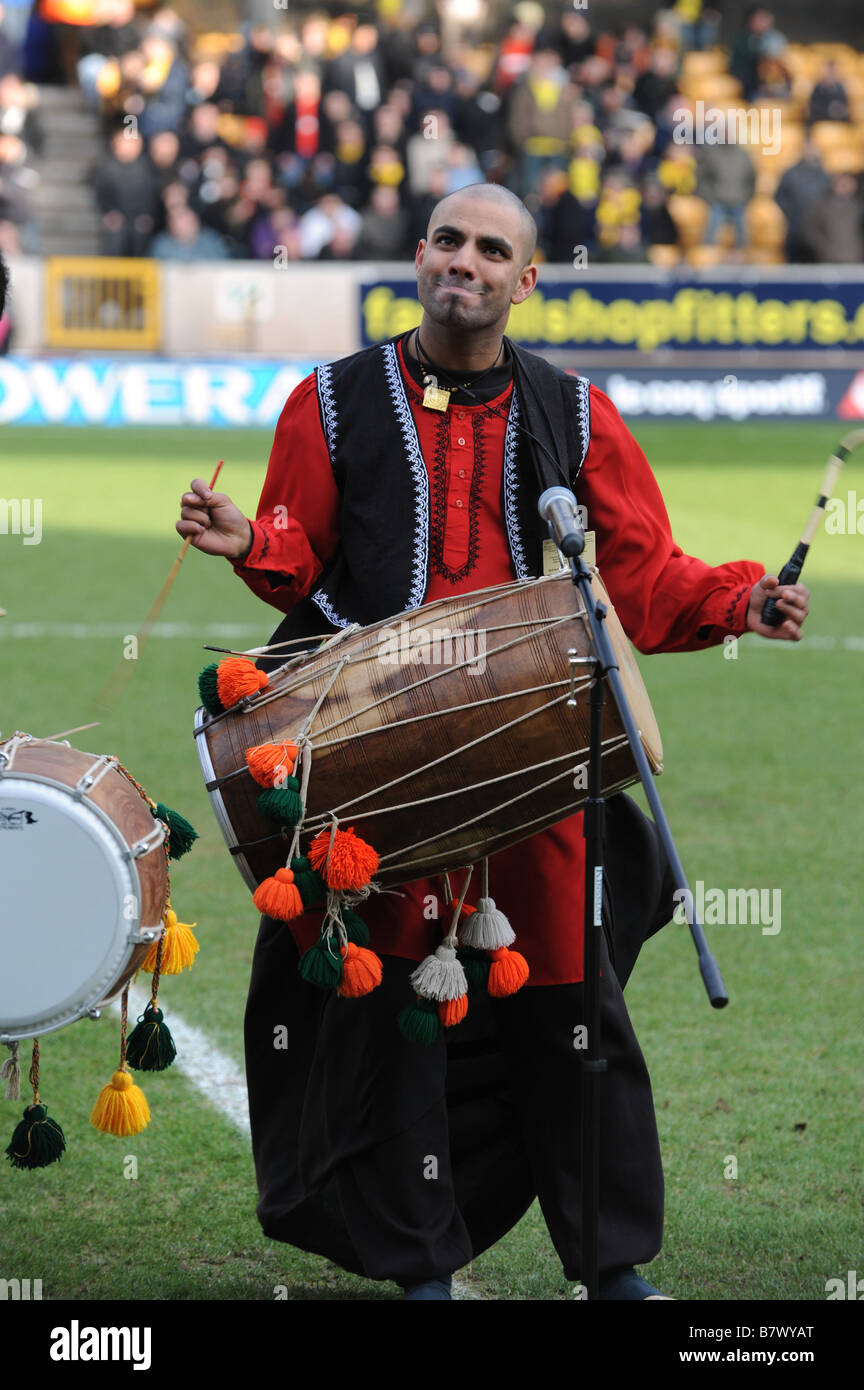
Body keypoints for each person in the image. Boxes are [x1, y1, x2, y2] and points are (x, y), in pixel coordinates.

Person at [176, 183, 810, 1301]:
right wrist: (245, 543)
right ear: (420, 256)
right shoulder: (327, 404)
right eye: (449, 241)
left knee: (574, 1011)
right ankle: (420, 1264)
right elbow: (296, 557)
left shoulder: (574, 414)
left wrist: (739, 602)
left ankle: (611, 1266)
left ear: (528, 279)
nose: (465, 260)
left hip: (539, 763)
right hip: (387, 768)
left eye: (493, 250)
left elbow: (639, 575)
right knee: (397, 1022)